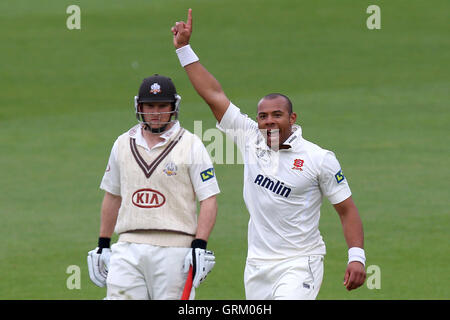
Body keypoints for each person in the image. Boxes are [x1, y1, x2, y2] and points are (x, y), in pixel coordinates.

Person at [171, 9, 366, 300]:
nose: (269, 121)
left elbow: (347, 209)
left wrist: (357, 257)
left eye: (277, 115)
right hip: (257, 265)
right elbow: (214, 95)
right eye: (263, 116)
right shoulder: (250, 137)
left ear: (292, 118)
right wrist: (184, 49)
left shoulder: (319, 158)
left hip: (301, 262)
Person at [87, 74, 220, 300]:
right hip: (128, 246)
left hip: (175, 250)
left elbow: (209, 198)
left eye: (162, 106)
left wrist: (199, 245)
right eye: (150, 106)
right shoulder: (122, 143)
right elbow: (112, 195)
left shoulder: (191, 144)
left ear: (173, 107)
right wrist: (103, 243)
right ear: (140, 106)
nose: (156, 112)